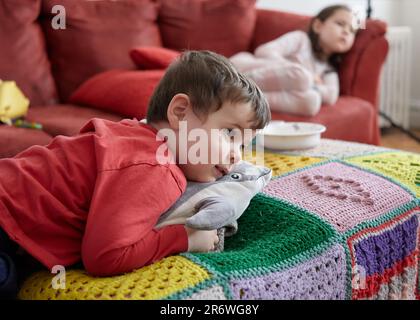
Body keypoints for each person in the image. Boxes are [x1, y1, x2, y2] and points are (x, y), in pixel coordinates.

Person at [0, 50, 270, 298]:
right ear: (180, 113)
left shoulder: (132, 135)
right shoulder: (155, 168)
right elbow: (107, 256)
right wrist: (185, 237)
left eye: (244, 145)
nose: (237, 155)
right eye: (230, 133)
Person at [230, 4, 357, 117]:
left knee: (312, 101)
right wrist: (299, 71)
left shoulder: (328, 69)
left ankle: (243, 97)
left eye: (352, 30)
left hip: (269, 90)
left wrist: (310, 83)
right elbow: (265, 51)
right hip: (246, 68)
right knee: (302, 76)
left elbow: (331, 96)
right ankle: (236, 84)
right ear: (318, 26)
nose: (346, 31)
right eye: (340, 24)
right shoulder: (301, 40)